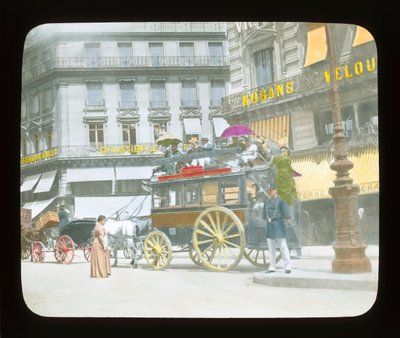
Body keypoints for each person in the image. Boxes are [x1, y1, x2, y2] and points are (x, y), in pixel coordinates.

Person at [263, 183, 292, 273]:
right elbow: (264, 215)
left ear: (275, 190)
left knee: (283, 246)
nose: (270, 192)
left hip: (279, 224)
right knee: (271, 248)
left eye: (271, 190)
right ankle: (272, 267)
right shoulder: (266, 202)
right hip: (270, 225)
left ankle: (287, 267)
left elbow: (287, 214)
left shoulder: (281, 201)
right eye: (268, 191)